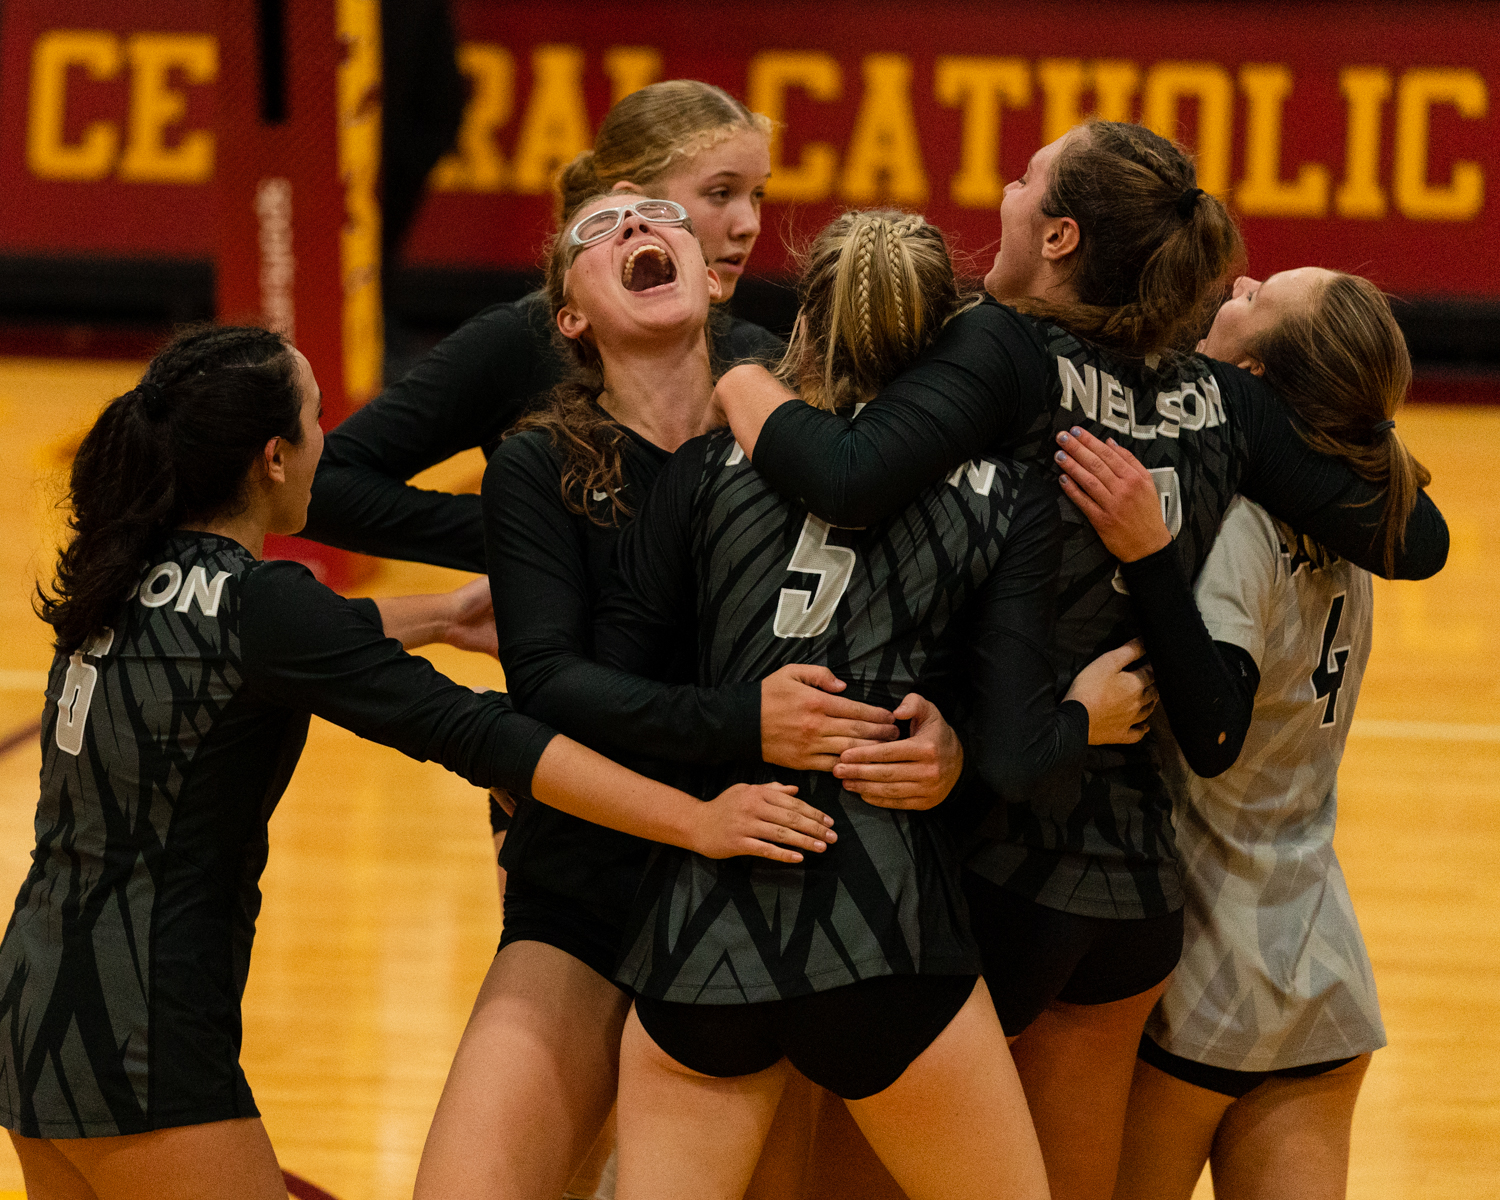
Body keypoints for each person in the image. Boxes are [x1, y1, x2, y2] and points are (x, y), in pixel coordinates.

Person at [710, 122, 1448, 1200]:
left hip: (997, 857)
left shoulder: (1008, 352)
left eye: (1022, 181)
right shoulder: (1225, 399)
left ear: (1058, 236)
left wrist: (730, 369)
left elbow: (848, 474)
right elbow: (1412, 536)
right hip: (1134, 900)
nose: (1002, 194)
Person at [0, 326, 831, 1200]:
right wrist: (698, 819)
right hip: (143, 1036)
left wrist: (435, 616)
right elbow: (481, 736)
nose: (334, 441)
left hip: (32, 1009)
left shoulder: (125, 568)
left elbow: (267, 648)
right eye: (322, 418)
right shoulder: (264, 602)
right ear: (274, 458)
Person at [569, 203, 1158, 1200]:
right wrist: (963, 748)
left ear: (805, 321)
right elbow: (1014, 743)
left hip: (706, 934)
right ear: (948, 344)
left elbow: (616, 694)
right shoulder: (1003, 494)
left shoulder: (706, 470)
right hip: (884, 932)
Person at [412, 196, 910, 1200]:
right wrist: (740, 723)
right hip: (595, 876)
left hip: (774, 885)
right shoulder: (535, 461)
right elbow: (548, 681)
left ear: (716, 278)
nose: (638, 229)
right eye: (601, 230)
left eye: (661, 217)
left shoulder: (812, 445)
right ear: (569, 319)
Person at [299, 77, 785, 888]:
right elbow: (328, 479)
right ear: (633, 203)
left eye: (758, 195)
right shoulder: (522, 339)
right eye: (720, 193)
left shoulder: (765, 356)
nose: (747, 224)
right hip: (570, 755)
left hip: (728, 752)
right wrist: (536, 548)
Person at [1048, 269, 1418, 1200]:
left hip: (1210, 966)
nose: (1238, 282)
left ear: (1251, 368)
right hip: (1320, 957)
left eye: (1260, 296)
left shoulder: (1240, 523)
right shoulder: (1362, 510)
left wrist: (1147, 556)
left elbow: (1218, 726)